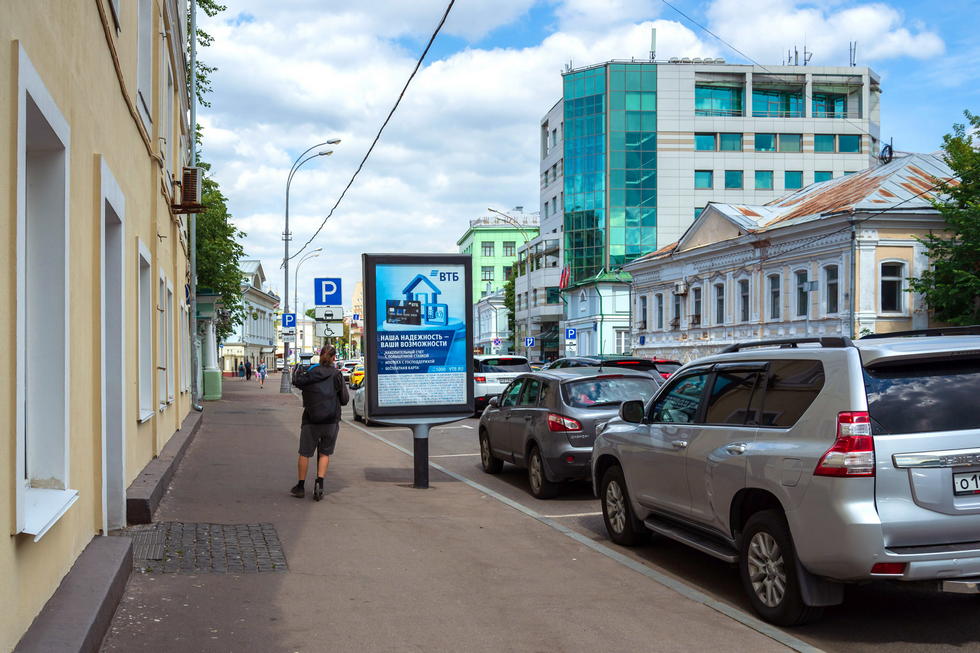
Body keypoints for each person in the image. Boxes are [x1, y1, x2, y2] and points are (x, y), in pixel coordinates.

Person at [291, 345, 349, 501]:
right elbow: (344, 400)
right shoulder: (337, 375)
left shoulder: (310, 373)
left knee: (304, 453)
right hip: (331, 420)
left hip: (311, 419)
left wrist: (298, 369)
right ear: (334, 358)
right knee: (324, 453)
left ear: (320, 356)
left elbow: (297, 381)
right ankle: (320, 484)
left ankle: (300, 487)